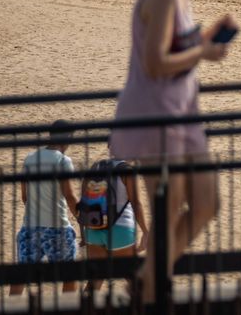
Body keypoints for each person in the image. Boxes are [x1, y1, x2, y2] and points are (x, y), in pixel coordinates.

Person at [108, 0, 233, 301]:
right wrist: (204, 50)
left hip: (178, 113)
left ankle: (148, 277)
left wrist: (204, 38)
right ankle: (150, 288)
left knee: (206, 202)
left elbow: (174, 48)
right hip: (155, 115)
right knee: (169, 209)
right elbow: (156, 62)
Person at [11, 120, 79, 296]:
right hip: (57, 228)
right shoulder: (63, 161)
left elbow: (24, 196)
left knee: (21, 277)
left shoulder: (30, 159)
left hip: (30, 227)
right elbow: (70, 196)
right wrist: (81, 216)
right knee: (70, 275)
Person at [79, 158, 148, 294]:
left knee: (95, 281)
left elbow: (83, 203)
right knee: (134, 280)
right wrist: (146, 231)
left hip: (93, 230)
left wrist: (83, 234)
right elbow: (136, 203)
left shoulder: (95, 167)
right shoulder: (127, 170)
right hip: (120, 229)